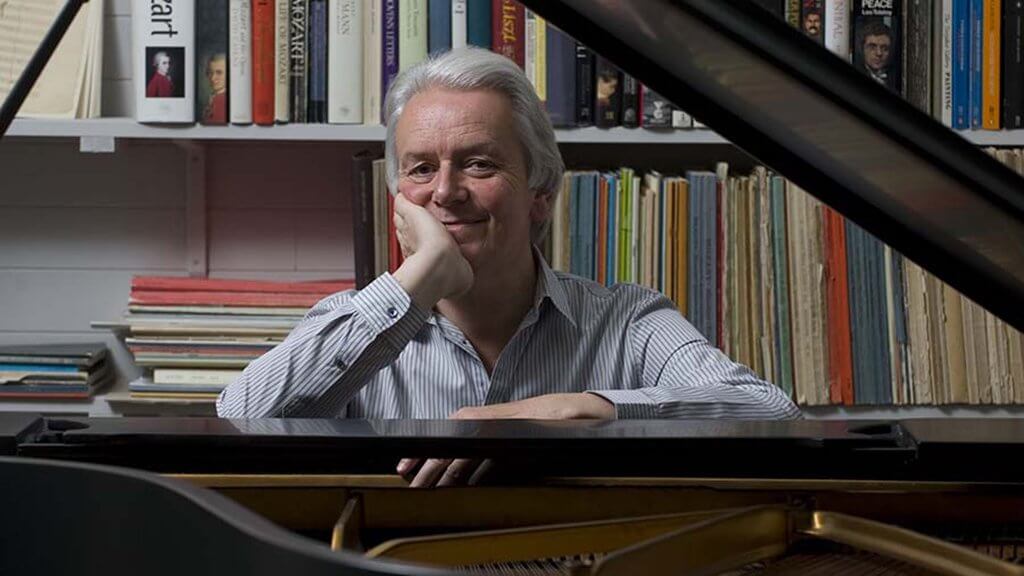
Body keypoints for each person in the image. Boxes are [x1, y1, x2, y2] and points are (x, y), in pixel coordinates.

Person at [216, 47, 800, 486]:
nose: (445, 192)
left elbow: (773, 412)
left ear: (539, 193)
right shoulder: (351, 325)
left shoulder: (627, 320)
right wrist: (420, 278)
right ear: (397, 200)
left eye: (479, 164)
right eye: (421, 169)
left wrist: (578, 408)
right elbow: (239, 422)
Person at [857, 19, 894, 90]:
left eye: (884, 48)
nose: (879, 53)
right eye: (872, 47)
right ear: (862, 49)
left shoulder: (897, 78)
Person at [202, 53, 228, 123]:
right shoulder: (213, 97)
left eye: (219, 73)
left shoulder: (224, 99)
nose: (213, 78)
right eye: (210, 72)